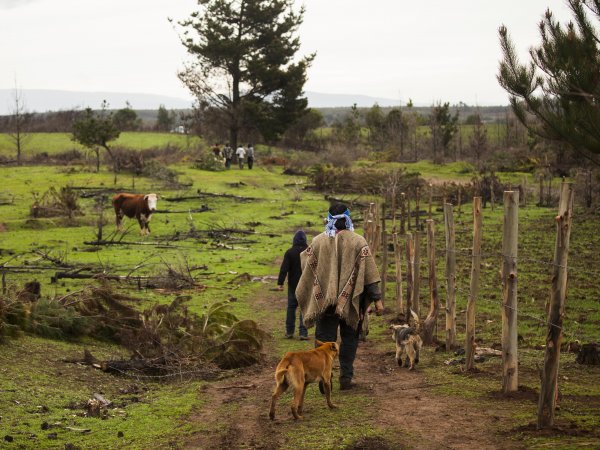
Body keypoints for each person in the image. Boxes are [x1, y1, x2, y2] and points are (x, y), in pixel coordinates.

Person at [296, 203, 383, 390]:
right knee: (350, 338)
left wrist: (324, 284)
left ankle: (323, 379)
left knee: (324, 342)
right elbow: (370, 275)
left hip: (324, 304)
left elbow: (306, 264)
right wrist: (377, 300)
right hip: (351, 303)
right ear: (348, 218)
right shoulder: (359, 241)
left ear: (329, 219)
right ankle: (346, 377)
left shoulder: (318, 241)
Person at [278, 230, 309, 340]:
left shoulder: (289, 252)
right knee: (304, 308)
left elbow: (284, 269)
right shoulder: (309, 251)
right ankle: (303, 333)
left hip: (293, 285)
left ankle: (289, 331)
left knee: (291, 307)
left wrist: (280, 283)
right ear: (305, 240)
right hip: (306, 285)